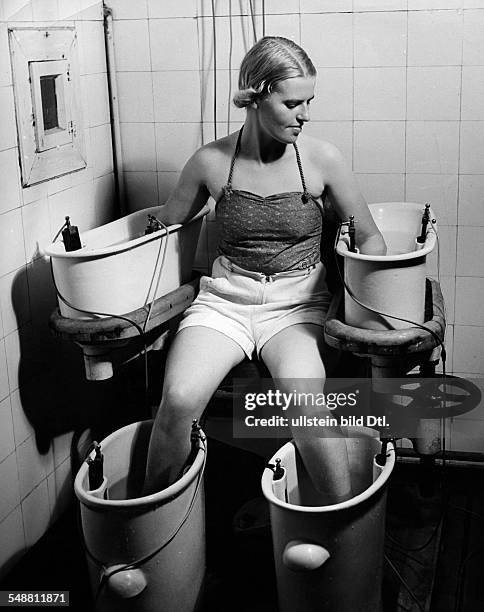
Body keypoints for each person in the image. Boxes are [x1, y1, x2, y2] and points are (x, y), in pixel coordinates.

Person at [143, 36, 386, 502]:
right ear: (256, 95)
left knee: (307, 406)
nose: (305, 114)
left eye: (309, 101)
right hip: (225, 301)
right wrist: (96, 248)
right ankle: (153, 532)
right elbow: (164, 223)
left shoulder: (321, 160)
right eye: (292, 102)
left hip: (296, 304)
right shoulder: (210, 162)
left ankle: (340, 523)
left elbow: (369, 236)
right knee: (176, 401)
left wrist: (362, 304)